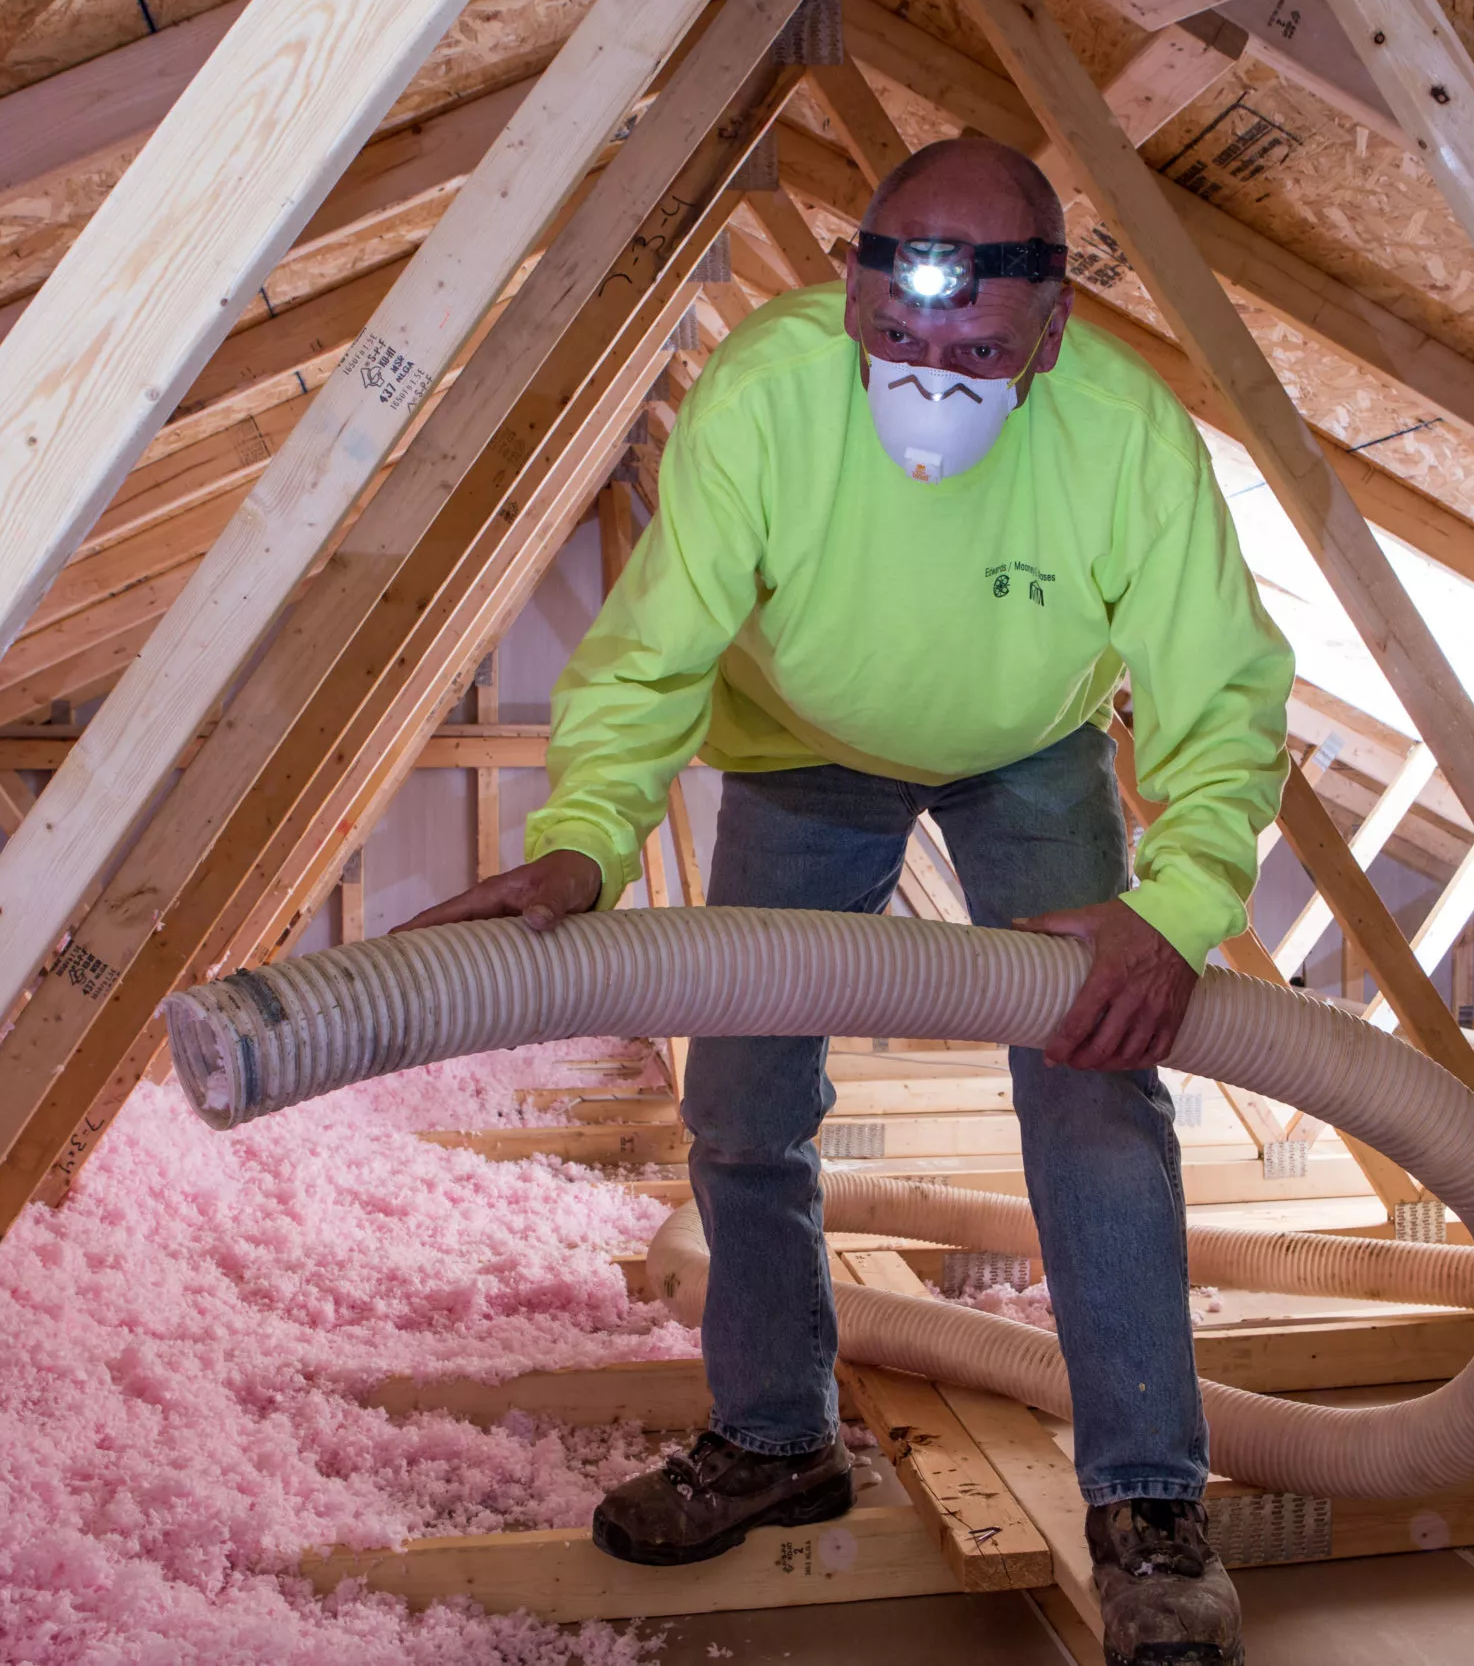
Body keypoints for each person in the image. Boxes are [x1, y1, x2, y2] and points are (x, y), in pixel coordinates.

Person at [399, 138, 1293, 1665]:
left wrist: (1182, 902)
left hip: (1030, 749)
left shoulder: (1128, 436)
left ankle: (1150, 1506)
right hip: (802, 749)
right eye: (896, 338)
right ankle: (774, 1437)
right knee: (746, 1102)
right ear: (850, 288)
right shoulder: (764, 397)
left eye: (976, 353)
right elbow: (652, 654)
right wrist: (587, 840)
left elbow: (1224, 691)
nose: (929, 381)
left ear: (1053, 327)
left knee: (1097, 1086)